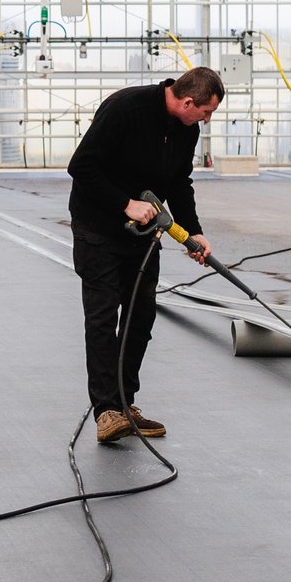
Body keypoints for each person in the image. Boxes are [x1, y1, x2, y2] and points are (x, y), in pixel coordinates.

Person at [65, 66, 226, 444]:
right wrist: (126, 204)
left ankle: (124, 404)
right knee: (103, 317)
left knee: (140, 317)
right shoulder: (125, 108)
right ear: (188, 101)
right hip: (98, 230)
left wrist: (194, 232)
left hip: (143, 236)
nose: (206, 119)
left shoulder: (187, 129)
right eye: (206, 112)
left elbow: (178, 182)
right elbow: (81, 166)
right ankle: (106, 411)